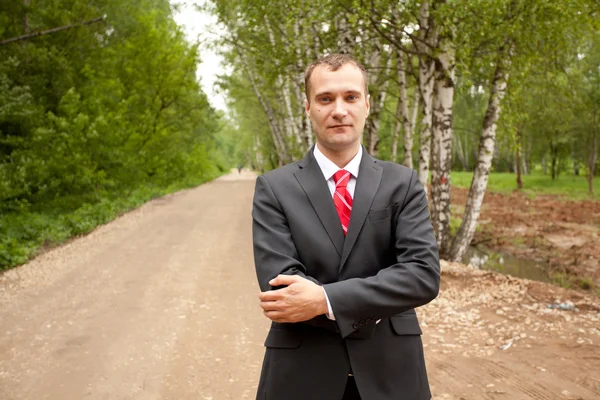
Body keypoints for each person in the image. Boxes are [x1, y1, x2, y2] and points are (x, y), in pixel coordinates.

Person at [251, 53, 440, 400]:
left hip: (391, 372)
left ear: (367, 105)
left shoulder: (403, 183)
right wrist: (379, 298)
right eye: (325, 99)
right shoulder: (274, 188)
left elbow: (422, 276)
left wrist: (324, 298)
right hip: (303, 373)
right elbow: (281, 291)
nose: (339, 110)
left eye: (350, 97)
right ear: (308, 108)